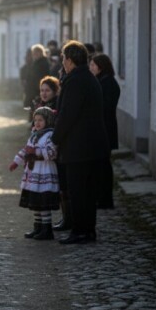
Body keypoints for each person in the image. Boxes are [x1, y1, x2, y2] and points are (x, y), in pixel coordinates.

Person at [52, 41, 108, 244]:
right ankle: (88, 230)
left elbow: (67, 115)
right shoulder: (88, 77)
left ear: (70, 60)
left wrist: (55, 139)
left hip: (79, 146)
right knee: (88, 192)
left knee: (78, 191)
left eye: (64, 59)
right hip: (92, 145)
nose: (63, 63)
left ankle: (80, 231)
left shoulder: (75, 81)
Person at [9, 106, 60, 240]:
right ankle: (37, 227)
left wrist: (36, 153)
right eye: (35, 120)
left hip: (44, 170)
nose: (37, 123)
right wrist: (16, 161)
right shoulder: (33, 135)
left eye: (40, 120)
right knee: (35, 201)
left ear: (47, 121)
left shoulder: (50, 135)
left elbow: (52, 152)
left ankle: (46, 229)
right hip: (33, 172)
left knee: (43, 201)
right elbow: (26, 150)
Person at [91, 53, 120, 209]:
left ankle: (105, 199)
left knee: (103, 165)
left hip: (105, 129)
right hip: (102, 128)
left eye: (93, 65)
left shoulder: (108, 83)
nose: (91, 68)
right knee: (100, 165)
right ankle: (101, 197)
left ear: (100, 67)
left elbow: (106, 107)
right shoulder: (102, 81)